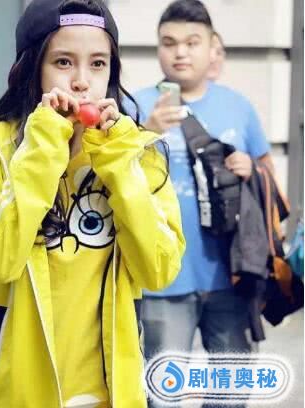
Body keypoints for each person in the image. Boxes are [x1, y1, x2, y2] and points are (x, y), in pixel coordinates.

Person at [0, 0, 185, 407]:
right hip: (17, 390)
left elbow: (159, 270)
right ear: (31, 67)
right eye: (63, 62)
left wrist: (118, 163)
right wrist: (43, 146)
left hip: (111, 391)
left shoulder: (136, 152)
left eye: (98, 64)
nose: (81, 82)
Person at [128, 1, 276, 405]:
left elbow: (268, 178)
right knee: (162, 396)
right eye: (169, 43)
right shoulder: (135, 106)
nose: (180, 52)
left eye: (192, 42)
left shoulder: (238, 106)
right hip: (161, 281)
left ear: (212, 47)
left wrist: (250, 169)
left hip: (230, 276)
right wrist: (144, 133)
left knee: (231, 394)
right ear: (158, 48)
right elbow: (109, 181)